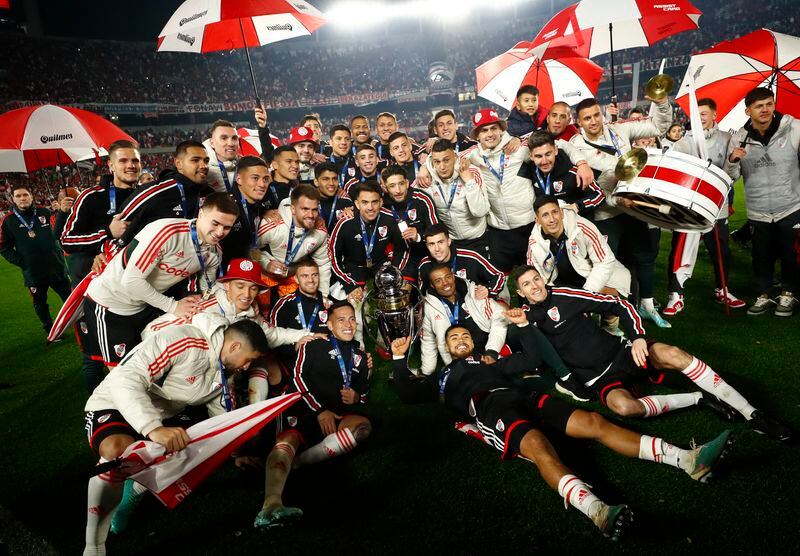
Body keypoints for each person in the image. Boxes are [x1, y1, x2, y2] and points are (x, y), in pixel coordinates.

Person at [390, 317, 734, 540]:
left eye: (465, 335)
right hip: (490, 407)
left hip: (525, 394)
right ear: (446, 348)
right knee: (539, 448)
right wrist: (397, 359)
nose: (461, 339)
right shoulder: (441, 378)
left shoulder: (491, 360)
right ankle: (598, 510)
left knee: (595, 422)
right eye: (454, 338)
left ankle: (688, 459)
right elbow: (407, 393)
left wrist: (523, 326)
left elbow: (532, 359)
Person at [513, 265, 793, 440]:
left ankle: (753, 414)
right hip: (596, 378)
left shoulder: (564, 295)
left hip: (622, 353)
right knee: (624, 407)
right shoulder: (523, 321)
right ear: (521, 293)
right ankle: (698, 398)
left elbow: (617, 304)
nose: (535, 286)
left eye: (536, 279)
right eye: (527, 284)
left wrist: (636, 337)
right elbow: (534, 359)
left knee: (673, 354)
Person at [82, 316, 269, 556]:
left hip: (161, 417)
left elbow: (218, 415)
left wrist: (233, 452)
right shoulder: (185, 340)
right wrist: (153, 428)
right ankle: (94, 545)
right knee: (116, 453)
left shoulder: (225, 374)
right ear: (234, 347)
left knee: (196, 445)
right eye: (249, 360)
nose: (246, 368)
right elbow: (123, 378)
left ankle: (133, 492)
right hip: (114, 403)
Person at [83, 192, 237, 367]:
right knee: (121, 373)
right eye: (215, 223)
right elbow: (131, 280)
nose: (219, 232)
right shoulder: (168, 232)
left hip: (144, 306)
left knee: (148, 366)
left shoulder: (214, 253)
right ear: (201, 213)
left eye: (227, 227)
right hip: (111, 303)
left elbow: (206, 289)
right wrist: (174, 306)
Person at [254, 301, 371, 528]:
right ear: (329, 324)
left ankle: (299, 462)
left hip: (335, 415)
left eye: (352, 319)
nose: (348, 325)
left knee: (363, 427)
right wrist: (319, 410)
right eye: (341, 320)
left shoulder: (360, 355)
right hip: (303, 409)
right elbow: (297, 381)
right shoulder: (313, 344)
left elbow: (366, 393)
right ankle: (271, 503)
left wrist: (357, 397)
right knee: (286, 441)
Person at [570, 96, 675, 327]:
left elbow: (659, 126)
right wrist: (617, 200)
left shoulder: (619, 130)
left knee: (645, 256)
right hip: (605, 213)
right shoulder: (576, 148)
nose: (594, 121)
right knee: (606, 265)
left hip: (633, 209)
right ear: (578, 122)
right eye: (587, 118)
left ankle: (647, 306)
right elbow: (590, 191)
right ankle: (608, 318)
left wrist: (661, 103)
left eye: (597, 115)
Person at [462, 109, 595, 272]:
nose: (490, 134)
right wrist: (426, 168)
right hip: (499, 230)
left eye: (493, 128)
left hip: (529, 225)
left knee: (538, 273)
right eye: (484, 130)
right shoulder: (473, 156)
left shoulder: (520, 147)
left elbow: (559, 145)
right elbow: (449, 158)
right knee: (499, 277)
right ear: (477, 135)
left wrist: (582, 163)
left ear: (501, 129)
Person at [60, 140, 142, 391]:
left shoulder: (146, 196)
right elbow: (67, 239)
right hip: (94, 293)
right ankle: (99, 417)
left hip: (133, 292)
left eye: (135, 161)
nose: (131, 165)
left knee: (136, 352)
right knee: (93, 358)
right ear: (111, 165)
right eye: (124, 161)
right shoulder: (90, 197)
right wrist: (107, 232)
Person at [664, 98, 745, 315]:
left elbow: (732, 177)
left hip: (717, 206)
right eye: (696, 114)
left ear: (714, 115)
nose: (699, 118)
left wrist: (733, 160)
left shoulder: (727, 138)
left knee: (721, 251)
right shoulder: (683, 142)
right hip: (689, 209)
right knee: (680, 250)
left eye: (703, 114)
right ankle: (675, 295)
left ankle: (723, 289)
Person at [724, 87, 800, 317]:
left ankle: (789, 293)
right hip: (758, 209)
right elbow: (731, 175)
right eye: (759, 106)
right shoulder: (738, 138)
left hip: (791, 204)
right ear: (748, 111)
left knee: (790, 253)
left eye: (769, 103)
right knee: (761, 255)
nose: (765, 109)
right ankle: (764, 293)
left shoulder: (794, 128)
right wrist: (732, 160)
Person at [527, 195, 631, 300]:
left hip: (589, 279)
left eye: (555, 212)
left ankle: (610, 315)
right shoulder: (534, 242)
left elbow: (605, 261)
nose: (552, 219)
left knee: (609, 295)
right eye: (545, 215)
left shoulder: (582, 227)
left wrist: (585, 295)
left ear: (562, 213)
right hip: (560, 285)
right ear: (537, 220)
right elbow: (533, 276)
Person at [0, 183, 70, 335]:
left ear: (31, 197)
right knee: (40, 304)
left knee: (70, 298)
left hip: (56, 266)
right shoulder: (8, 221)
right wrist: (23, 262)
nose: (22, 198)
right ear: (13, 199)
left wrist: (61, 211)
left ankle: (79, 322)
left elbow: (60, 230)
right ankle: (50, 329)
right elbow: (3, 247)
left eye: (25, 195)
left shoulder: (44, 211)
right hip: (33, 272)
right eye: (18, 196)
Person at [116, 140, 210, 247]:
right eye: (195, 160)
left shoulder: (199, 190)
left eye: (206, 161)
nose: (204, 166)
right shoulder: (158, 190)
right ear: (179, 164)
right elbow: (119, 223)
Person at [329, 180, 410, 304]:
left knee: (394, 301)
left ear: (381, 202)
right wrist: (349, 284)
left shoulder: (391, 219)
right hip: (354, 268)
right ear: (356, 203)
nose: (370, 208)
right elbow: (334, 258)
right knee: (355, 305)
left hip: (381, 266)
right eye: (365, 202)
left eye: (374, 202)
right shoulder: (345, 223)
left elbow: (403, 249)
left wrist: (396, 272)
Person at [420, 264, 508, 376]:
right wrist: (426, 371)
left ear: (453, 276)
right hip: (458, 357)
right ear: (432, 285)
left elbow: (499, 318)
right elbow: (428, 338)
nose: (445, 283)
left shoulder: (474, 292)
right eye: (438, 281)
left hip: (488, 347)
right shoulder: (429, 306)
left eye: (448, 277)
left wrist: (492, 351)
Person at [252, 184, 331, 298]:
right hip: (266, 274)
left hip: (293, 277)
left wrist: (323, 296)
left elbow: (323, 263)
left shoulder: (320, 231)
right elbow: (251, 250)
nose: (310, 215)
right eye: (305, 209)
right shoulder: (273, 224)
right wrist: (266, 263)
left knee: (300, 309)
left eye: (314, 210)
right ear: (293, 209)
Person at [421, 139, 490, 257]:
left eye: (446, 160)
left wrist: (469, 182)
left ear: (455, 157)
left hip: (478, 239)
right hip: (452, 242)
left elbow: (480, 211)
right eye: (437, 162)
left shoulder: (472, 172)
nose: (442, 166)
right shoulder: (426, 179)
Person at [520, 131, 605, 216]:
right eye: (539, 156)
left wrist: (577, 206)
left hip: (576, 223)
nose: (544, 161)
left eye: (548, 154)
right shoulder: (530, 170)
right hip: (548, 223)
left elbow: (600, 195)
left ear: (556, 151)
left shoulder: (574, 171)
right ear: (531, 156)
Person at [268, 259, 331, 367]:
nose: (311, 280)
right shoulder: (283, 304)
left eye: (314, 275)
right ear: (296, 279)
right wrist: (295, 347)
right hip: (294, 364)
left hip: (325, 363)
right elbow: (272, 340)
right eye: (305, 276)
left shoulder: (329, 304)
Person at [379, 165, 437, 278]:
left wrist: (418, 237)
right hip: (400, 255)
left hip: (426, 251)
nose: (398, 190)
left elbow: (436, 231)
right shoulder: (382, 205)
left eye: (401, 184)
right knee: (402, 288)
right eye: (392, 186)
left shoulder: (422, 199)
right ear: (385, 188)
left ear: (407, 183)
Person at [419, 224, 506, 298]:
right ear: (427, 246)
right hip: (446, 308)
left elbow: (499, 275)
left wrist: (489, 291)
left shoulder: (470, 256)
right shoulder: (425, 265)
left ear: (449, 242)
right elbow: (422, 295)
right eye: (431, 244)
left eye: (441, 242)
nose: (437, 249)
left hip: (475, 301)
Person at [204, 108, 274, 193]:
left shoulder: (244, 164)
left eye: (234, 138)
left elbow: (267, 159)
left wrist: (263, 127)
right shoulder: (204, 170)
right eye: (224, 138)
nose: (231, 143)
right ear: (212, 143)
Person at [219, 155, 272, 268]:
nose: (262, 185)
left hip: (249, 269)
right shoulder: (224, 207)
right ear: (238, 179)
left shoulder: (261, 207)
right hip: (225, 275)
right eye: (255, 178)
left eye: (266, 179)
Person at [314, 161, 354, 235]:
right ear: (316, 182)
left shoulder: (345, 202)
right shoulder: (309, 202)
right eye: (326, 179)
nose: (331, 183)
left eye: (334, 179)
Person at [324, 124, 359, 190]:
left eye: (347, 139)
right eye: (339, 139)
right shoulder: (323, 164)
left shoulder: (357, 163)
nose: (343, 142)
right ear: (330, 142)